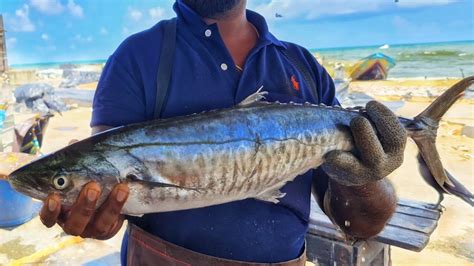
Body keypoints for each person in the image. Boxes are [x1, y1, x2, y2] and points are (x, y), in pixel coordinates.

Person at [39, 0, 405, 265]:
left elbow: (361, 224)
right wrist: (95, 219)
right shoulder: (138, 57)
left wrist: (366, 178)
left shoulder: (303, 67)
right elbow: (106, 194)